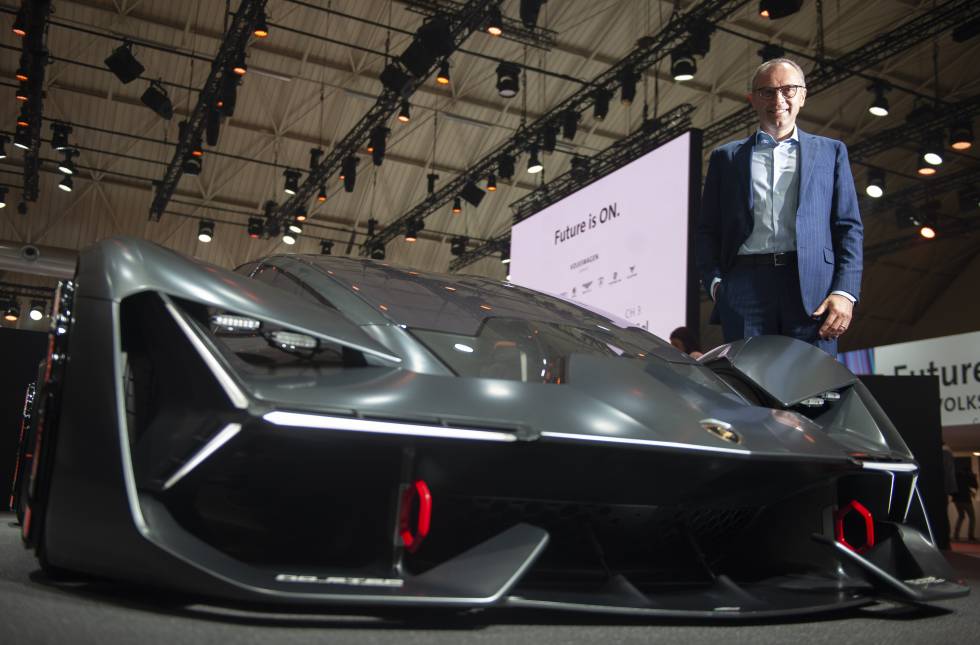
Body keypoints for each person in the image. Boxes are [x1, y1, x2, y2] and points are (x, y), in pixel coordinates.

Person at [695, 58, 863, 356]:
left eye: (788, 89)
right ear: (753, 100)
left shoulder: (831, 152)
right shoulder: (726, 157)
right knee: (748, 390)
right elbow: (707, 229)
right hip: (743, 286)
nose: (778, 99)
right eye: (767, 91)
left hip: (813, 288)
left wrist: (845, 292)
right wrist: (717, 285)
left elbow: (848, 227)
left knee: (813, 389)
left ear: (802, 95)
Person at [952, 465, 977, 542]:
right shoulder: (969, 476)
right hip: (966, 500)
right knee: (972, 518)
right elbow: (975, 485)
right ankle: (970, 536)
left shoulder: (957, 476)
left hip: (957, 500)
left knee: (961, 516)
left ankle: (956, 535)